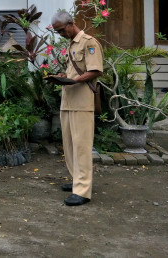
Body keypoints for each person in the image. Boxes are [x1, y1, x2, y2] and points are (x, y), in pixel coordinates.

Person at [51, 11, 103, 206]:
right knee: (70, 146)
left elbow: (95, 70)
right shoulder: (71, 44)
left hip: (82, 103)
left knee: (81, 147)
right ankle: (77, 181)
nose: (61, 34)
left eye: (62, 30)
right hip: (68, 102)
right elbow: (74, 71)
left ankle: (83, 191)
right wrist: (62, 76)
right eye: (57, 32)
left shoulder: (89, 43)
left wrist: (73, 80)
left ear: (71, 24)